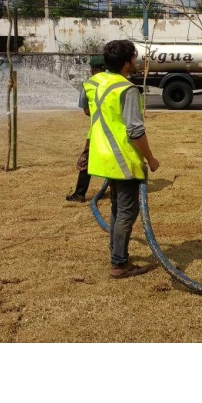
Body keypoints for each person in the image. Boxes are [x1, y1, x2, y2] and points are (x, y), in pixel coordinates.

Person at [88, 40, 159, 279]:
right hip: (122, 158)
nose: (137, 62)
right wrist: (151, 159)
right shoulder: (126, 89)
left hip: (102, 156)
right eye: (135, 58)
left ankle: (117, 255)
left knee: (118, 209)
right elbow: (135, 131)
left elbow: (88, 112)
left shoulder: (95, 83)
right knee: (127, 213)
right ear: (127, 63)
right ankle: (119, 263)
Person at [66, 55, 106, 203]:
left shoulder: (88, 85)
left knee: (86, 162)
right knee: (114, 159)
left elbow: (87, 111)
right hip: (117, 132)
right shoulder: (118, 83)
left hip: (96, 132)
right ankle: (118, 193)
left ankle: (79, 194)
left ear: (92, 70)